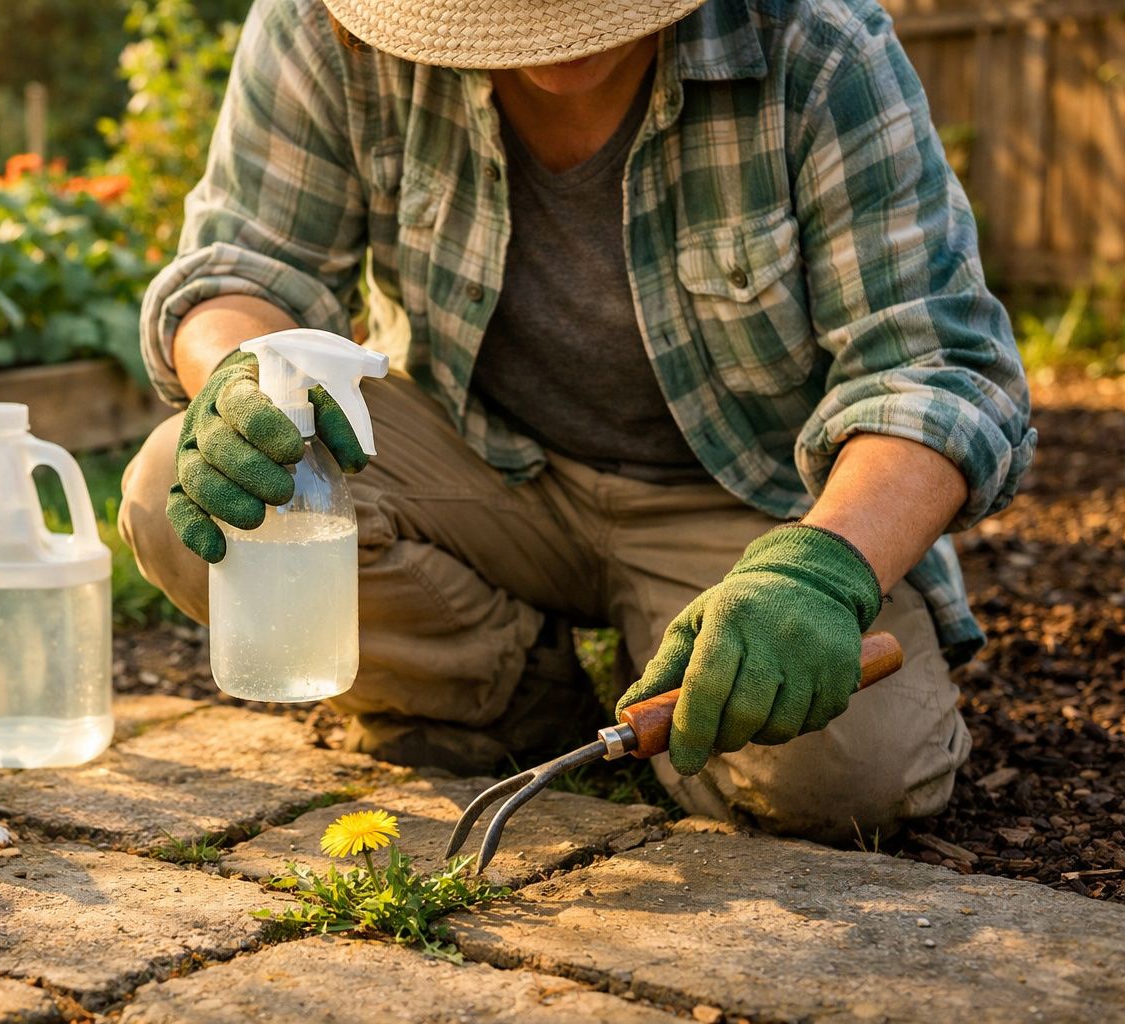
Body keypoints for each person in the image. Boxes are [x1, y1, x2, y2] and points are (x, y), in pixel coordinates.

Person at [118, 0, 1036, 843]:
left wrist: (821, 569)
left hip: (747, 507)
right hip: (473, 468)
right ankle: (520, 691)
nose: (554, 41)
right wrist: (238, 374)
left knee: (845, 779)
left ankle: (680, 656)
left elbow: (936, 367)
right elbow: (245, 268)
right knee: (171, 491)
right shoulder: (329, 27)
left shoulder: (816, 45)